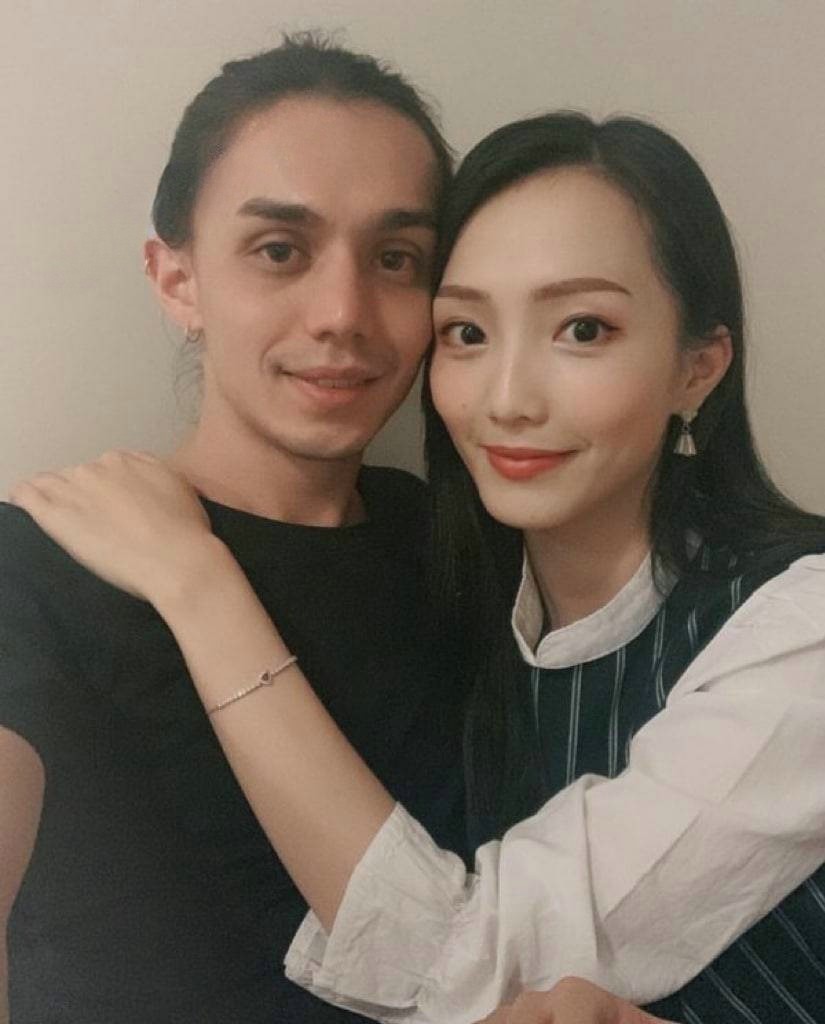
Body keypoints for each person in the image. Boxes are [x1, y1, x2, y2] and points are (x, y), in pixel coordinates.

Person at [13, 113, 825, 1023]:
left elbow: (465, 964)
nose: (508, 400)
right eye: (467, 332)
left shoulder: (800, 631)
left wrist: (198, 586)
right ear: (175, 276)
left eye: (583, 328)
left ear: (697, 368)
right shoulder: (453, 578)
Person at [0, 33, 472, 1024]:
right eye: (279, 251)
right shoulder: (35, 559)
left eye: (396, 258)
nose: (343, 312)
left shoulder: (467, 545)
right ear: (178, 280)